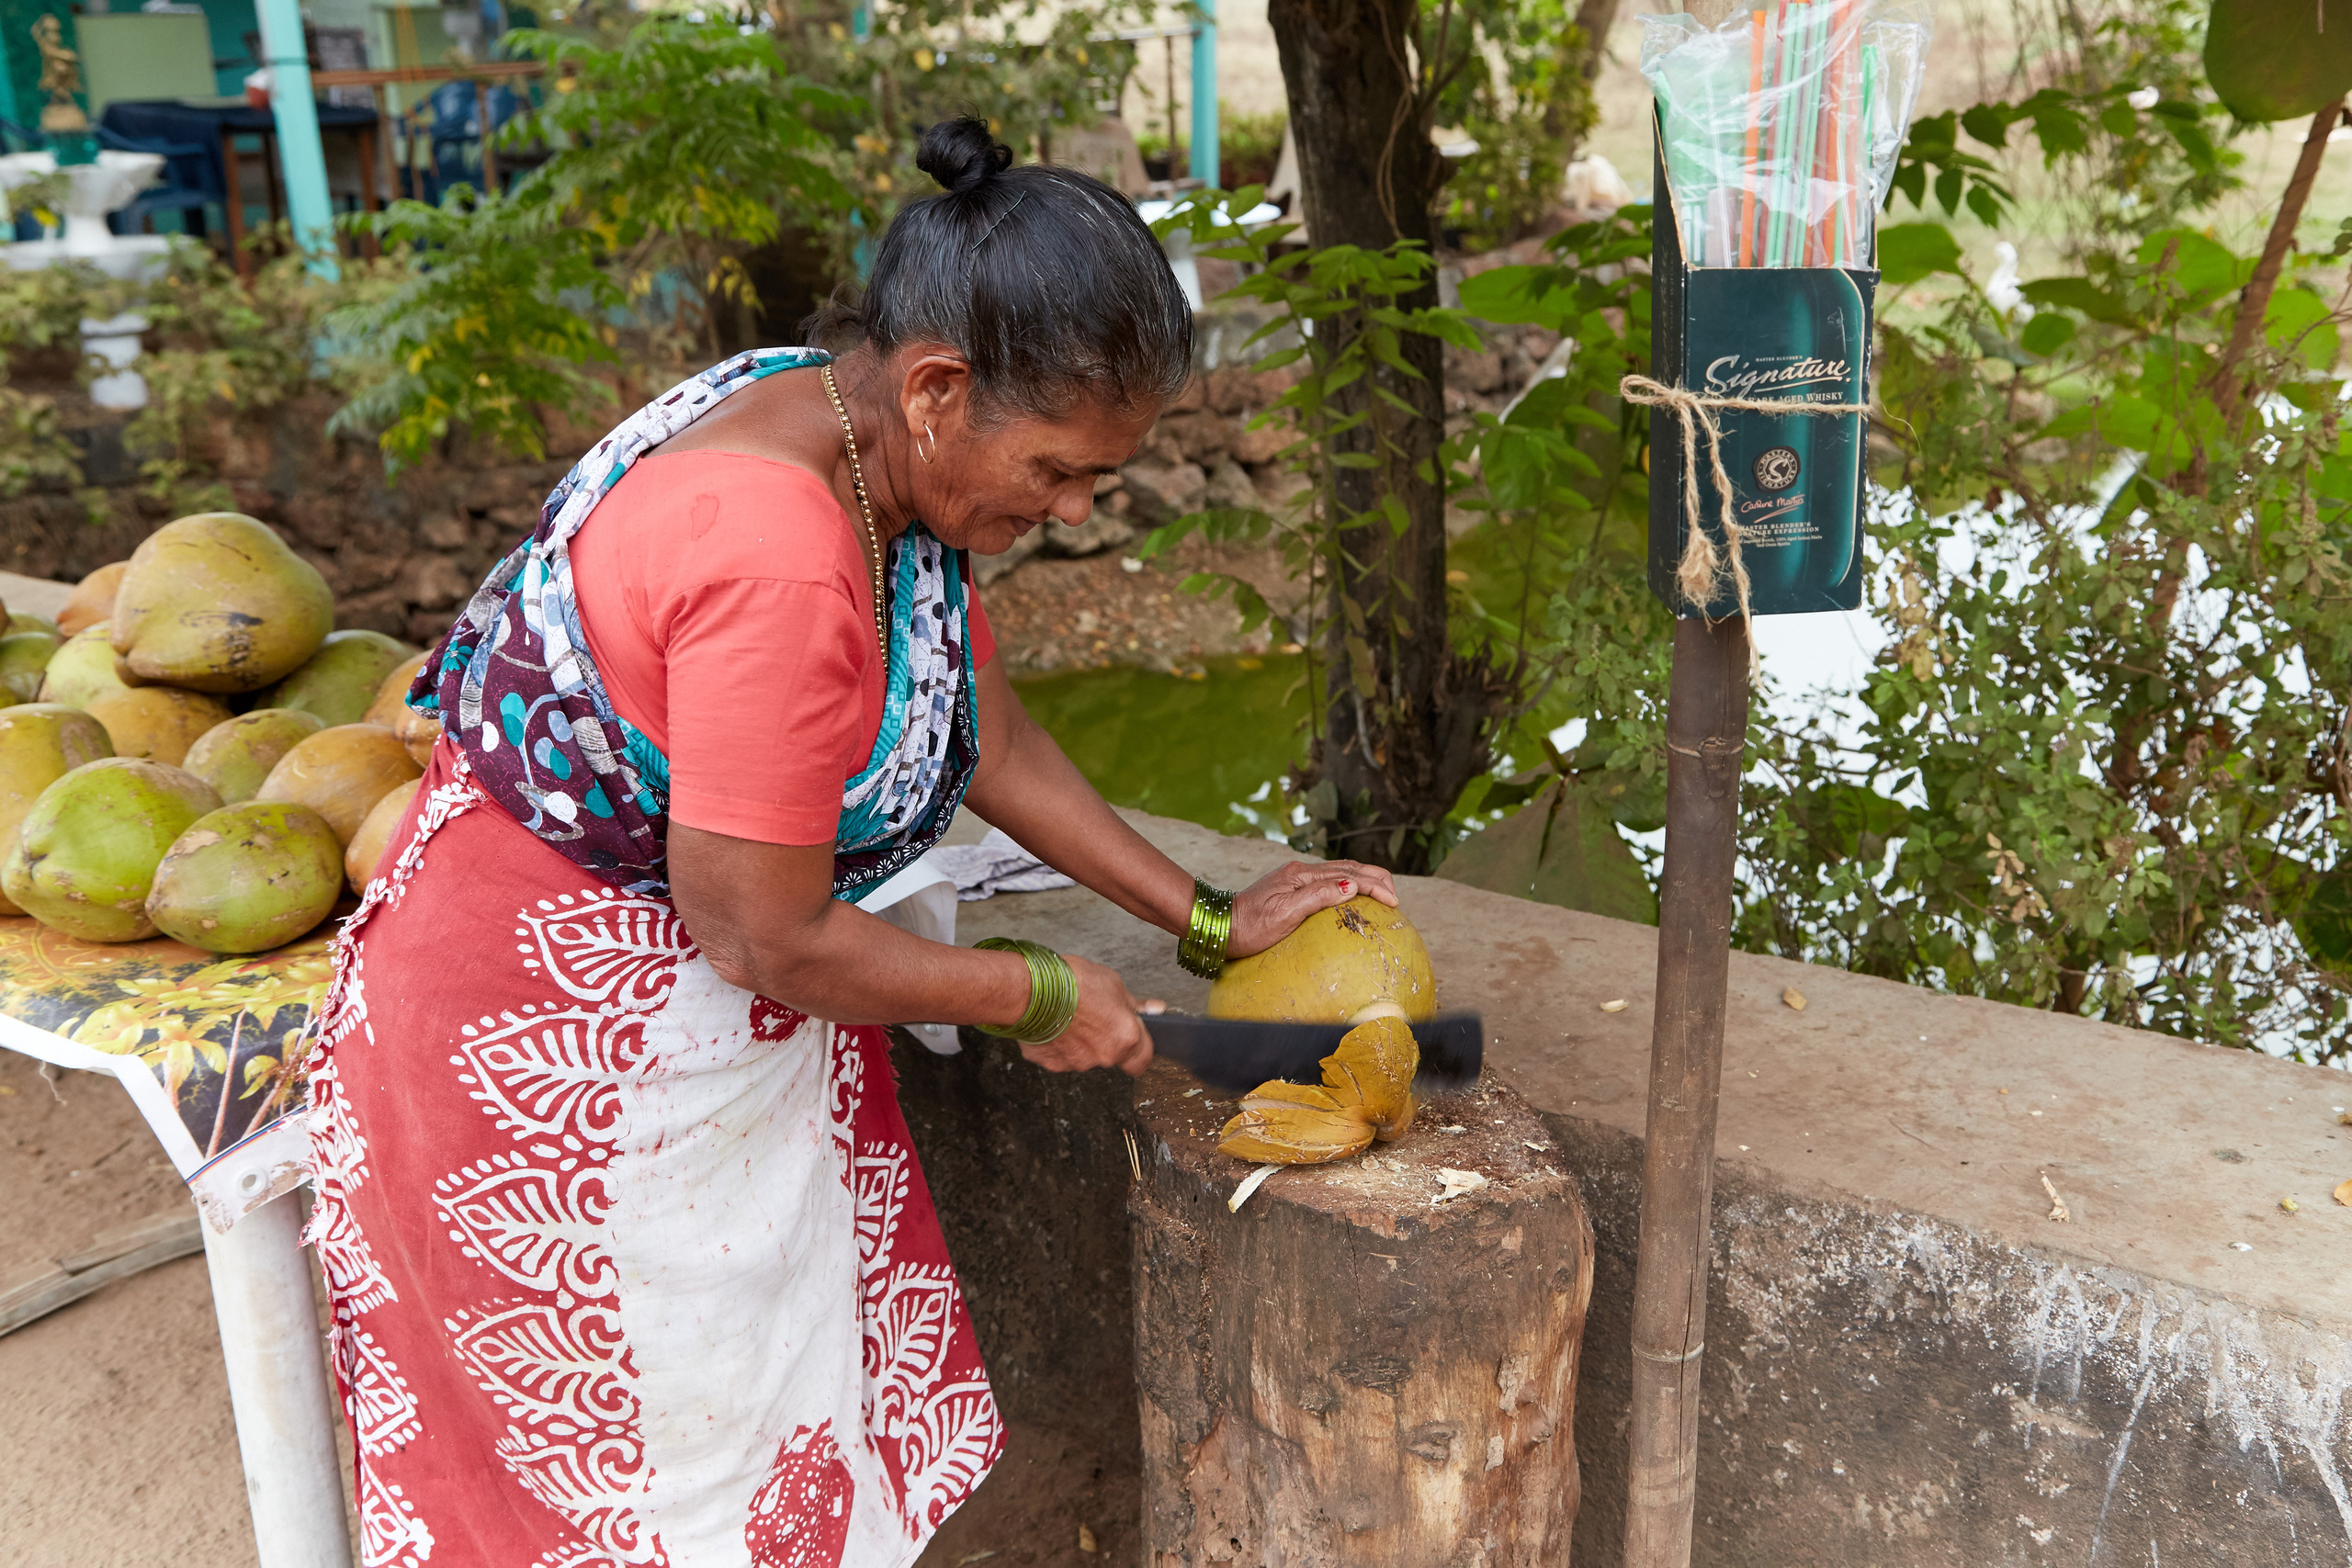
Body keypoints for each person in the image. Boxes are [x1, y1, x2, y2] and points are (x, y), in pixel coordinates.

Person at [302, 117, 1396, 1568]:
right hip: (555, 1060)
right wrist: (1040, 992)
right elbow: (764, 930)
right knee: (652, 1497)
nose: (1070, 512)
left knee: (759, 1448)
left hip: (697, 1016)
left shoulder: (852, 416)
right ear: (940, 388)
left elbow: (986, 736)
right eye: (1062, 471)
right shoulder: (775, 554)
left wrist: (1200, 919)